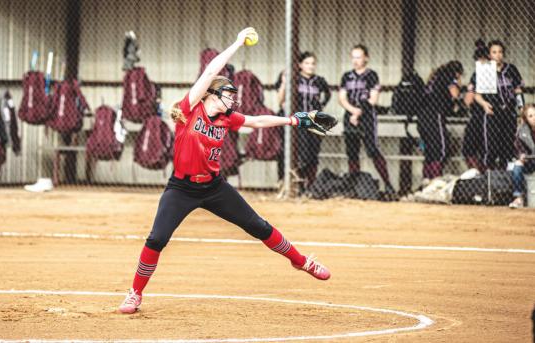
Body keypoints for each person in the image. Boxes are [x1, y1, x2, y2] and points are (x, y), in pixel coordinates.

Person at [117, 28, 331, 314]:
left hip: (214, 187)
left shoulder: (227, 118)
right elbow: (209, 73)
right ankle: (135, 293)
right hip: (181, 188)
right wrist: (238, 43)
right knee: (157, 239)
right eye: (228, 95)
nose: (233, 100)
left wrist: (293, 120)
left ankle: (301, 261)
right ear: (212, 95)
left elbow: (256, 121)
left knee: (259, 226)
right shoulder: (190, 108)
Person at [338, 44, 395, 194]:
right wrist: (352, 111)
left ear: (366, 58)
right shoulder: (346, 76)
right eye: (353, 57)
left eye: (359, 57)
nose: (356, 60)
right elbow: (342, 98)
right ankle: (354, 186)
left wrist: (358, 113)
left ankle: (388, 184)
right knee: (352, 152)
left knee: (373, 150)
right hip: (349, 117)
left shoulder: (372, 75)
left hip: (367, 117)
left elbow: (373, 99)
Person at [277, 51, 331, 193]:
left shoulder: (319, 81)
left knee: (313, 154)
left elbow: (327, 94)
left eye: (313, 63)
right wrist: (284, 83)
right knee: (299, 153)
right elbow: (280, 100)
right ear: (300, 65)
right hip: (298, 122)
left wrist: (321, 106)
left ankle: (310, 186)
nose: (310, 66)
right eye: (307, 63)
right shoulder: (294, 79)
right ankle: (298, 185)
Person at [474, 40, 525, 170]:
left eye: (500, 52)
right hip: (492, 113)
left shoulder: (511, 69)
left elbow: (518, 90)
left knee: (507, 146)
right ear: (489, 54)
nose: (498, 55)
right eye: (494, 52)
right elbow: (477, 94)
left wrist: (521, 108)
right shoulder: (486, 70)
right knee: (491, 146)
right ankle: (489, 178)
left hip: (509, 113)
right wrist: (484, 104)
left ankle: (505, 177)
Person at [417, 61, 463, 179]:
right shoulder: (449, 76)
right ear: (457, 73)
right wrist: (459, 84)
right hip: (434, 114)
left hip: (422, 116)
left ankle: (426, 181)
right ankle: (435, 181)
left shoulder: (436, 76)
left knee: (430, 152)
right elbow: (455, 94)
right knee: (441, 150)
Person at [462, 39, 490, 172]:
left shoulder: (479, 74)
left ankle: (478, 176)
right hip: (493, 116)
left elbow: (468, 99)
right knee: (485, 150)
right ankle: (484, 178)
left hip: (479, 115)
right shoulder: (497, 73)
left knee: (469, 149)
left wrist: (468, 93)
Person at [509, 104, 535, 209]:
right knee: (517, 164)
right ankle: (518, 198)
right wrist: (522, 155)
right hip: (531, 161)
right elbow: (518, 148)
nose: (534, 118)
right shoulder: (522, 131)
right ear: (526, 119)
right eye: (530, 116)